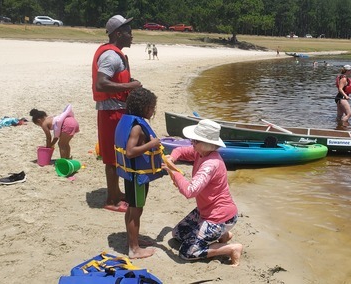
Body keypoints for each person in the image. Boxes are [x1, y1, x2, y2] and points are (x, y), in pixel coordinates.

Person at [161, 119, 243, 266]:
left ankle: (231, 249)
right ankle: (223, 235)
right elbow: (180, 150)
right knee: (177, 235)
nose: (191, 142)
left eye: (195, 140)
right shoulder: (200, 153)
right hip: (206, 210)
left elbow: (190, 191)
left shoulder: (210, 164)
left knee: (187, 252)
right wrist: (172, 157)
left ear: (205, 144)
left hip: (220, 216)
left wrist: (172, 171)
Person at [92, 14, 142, 212]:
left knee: (117, 154)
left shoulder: (115, 54)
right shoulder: (111, 56)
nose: (132, 35)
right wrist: (131, 84)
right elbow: (101, 83)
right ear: (118, 34)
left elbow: (114, 81)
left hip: (115, 110)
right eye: (128, 32)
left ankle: (116, 191)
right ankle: (111, 200)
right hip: (110, 112)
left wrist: (129, 84)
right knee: (112, 157)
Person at [114, 87, 163, 259]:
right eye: (151, 108)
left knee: (133, 208)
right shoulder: (136, 128)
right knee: (136, 210)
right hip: (136, 176)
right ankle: (134, 249)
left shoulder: (129, 120)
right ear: (143, 107)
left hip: (134, 175)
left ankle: (133, 240)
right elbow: (130, 151)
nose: (153, 111)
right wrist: (152, 144)